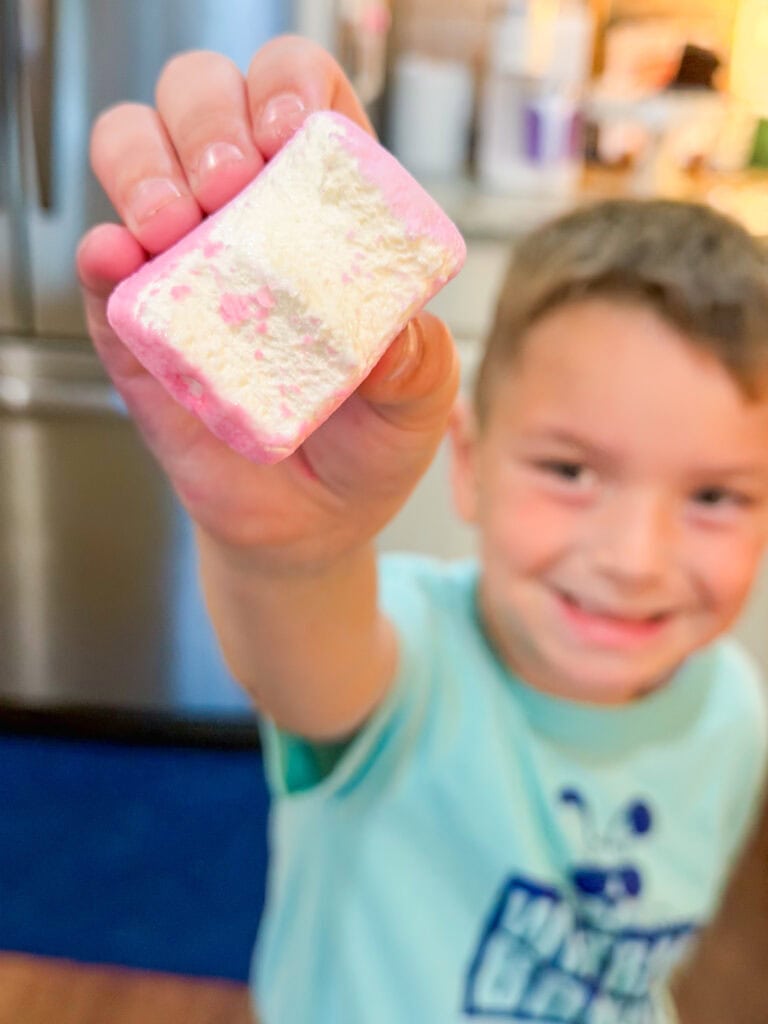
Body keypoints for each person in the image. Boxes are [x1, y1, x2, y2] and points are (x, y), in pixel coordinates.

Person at [77, 35, 768, 1024]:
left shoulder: (736, 711)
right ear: (473, 461)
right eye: (570, 471)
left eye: (716, 496)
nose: (635, 558)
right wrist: (284, 558)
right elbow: (310, 651)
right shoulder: (410, 661)